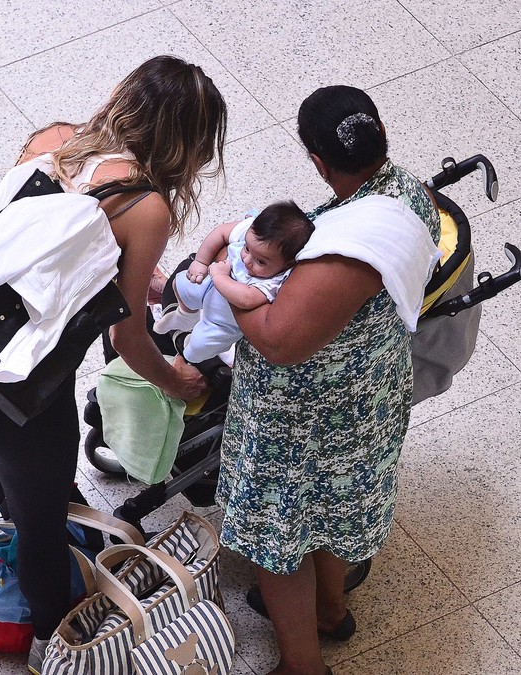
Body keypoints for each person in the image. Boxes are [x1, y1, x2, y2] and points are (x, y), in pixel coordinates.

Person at [0, 55, 227, 674]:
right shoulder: (146, 205)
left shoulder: (55, 139)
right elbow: (128, 338)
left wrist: (127, 273)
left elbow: (32, 246)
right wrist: (176, 378)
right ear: (185, 143)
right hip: (16, 392)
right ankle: (52, 649)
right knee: (40, 520)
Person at [214, 86, 441, 675]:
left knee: (283, 534)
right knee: (331, 513)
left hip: (304, 420)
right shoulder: (408, 192)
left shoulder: (342, 249)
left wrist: (228, 287)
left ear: (317, 160)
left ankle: (302, 665)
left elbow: (279, 339)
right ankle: (330, 609)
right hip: (368, 394)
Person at [153, 201, 314, 363]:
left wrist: (219, 277)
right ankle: (185, 315)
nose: (247, 259)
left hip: (223, 321)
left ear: (287, 264)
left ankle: (192, 344)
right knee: (179, 283)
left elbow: (247, 299)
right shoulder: (253, 233)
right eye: (247, 248)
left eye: (261, 261)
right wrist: (201, 262)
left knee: (196, 349)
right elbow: (221, 232)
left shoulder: (275, 281)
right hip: (209, 286)